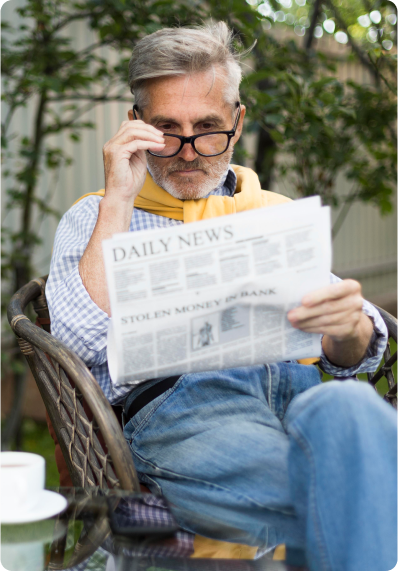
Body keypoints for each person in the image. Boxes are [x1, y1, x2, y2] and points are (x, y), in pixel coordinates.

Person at [46, 22, 398, 570]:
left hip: (301, 395)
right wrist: (119, 195)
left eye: (207, 127)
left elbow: (352, 355)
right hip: (184, 411)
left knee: (350, 405)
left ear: (236, 122)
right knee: (358, 487)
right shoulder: (95, 215)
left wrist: (349, 328)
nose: (188, 152)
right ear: (135, 125)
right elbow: (79, 345)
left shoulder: (273, 211)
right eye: (167, 129)